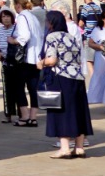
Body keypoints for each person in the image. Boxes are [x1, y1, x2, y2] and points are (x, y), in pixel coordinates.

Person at [39, 10, 92, 159]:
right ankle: (79, 148)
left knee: (61, 111)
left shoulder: (52, 37)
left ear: (51, 23)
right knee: (78, 110)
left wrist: (41, 63)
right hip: (77, 77)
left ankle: (65, 148)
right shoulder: (73, 37)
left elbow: (52, 60)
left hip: (61, 77)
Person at [0, 9, 26, 124]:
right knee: (7, 90)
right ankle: (8, 114)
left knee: (19, 89)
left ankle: (21, 114)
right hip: (5, 63)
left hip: (17, 63)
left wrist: (13, 41)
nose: (6, 18)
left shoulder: (17, 29)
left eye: (8, 16)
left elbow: (22, 42)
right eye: (3, 16)